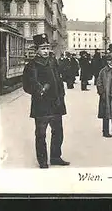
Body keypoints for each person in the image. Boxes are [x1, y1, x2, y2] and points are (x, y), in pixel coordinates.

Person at [22, 33, 69, 169]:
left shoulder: (53, 62)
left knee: (58, 132)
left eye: (47, 48)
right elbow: (27, 86)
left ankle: (55, 157)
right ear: (36, 50)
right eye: (43, 48)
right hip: (41, 105)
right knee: (41, 134)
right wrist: (39, 91)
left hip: (56, 104)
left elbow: (58, 80)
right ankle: (42, 160)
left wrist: (61, 96)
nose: (46, 51)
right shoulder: (32, 65)